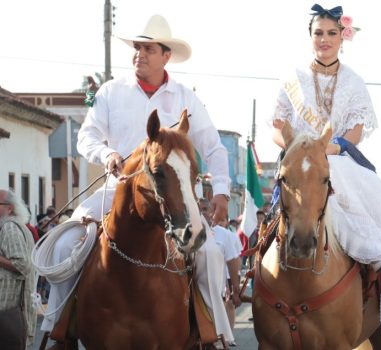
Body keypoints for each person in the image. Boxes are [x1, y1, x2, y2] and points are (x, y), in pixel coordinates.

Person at [39, 14, 232, 337]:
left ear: (166, 55)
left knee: (210, 253)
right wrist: (108, 154)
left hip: (171, 198)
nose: (139, 54)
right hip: (116, 191)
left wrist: (223, 192)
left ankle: (216, 333)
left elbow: (214, 149)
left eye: (148, 49)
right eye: (137, 48)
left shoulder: (186, 97)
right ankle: (57, 327)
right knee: (66, 245)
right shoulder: (111, 91)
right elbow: (86, 137)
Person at [269, 5, 381, 349]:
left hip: (337, 156)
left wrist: (330, 149)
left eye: (331, 33)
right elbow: (278, 127)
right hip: (299, 159)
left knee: (361, 196)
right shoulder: (292, 77)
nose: (324, 39)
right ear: (309, 37)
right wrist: (299, 148)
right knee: (273, 215)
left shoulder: (354, 81)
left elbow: (355, 131)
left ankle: (375, 260)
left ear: (343, 37)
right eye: (318, 33)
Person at [199, 198, 241, 346]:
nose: (200, 212)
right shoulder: (186, 234)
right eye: (198, 208)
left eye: (204, 209)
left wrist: (235, 290)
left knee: (216, 337)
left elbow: (233, 263)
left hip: (215, 294)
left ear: (212, 212)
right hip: (192, 295)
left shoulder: (225, 235)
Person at [0, 189, 37, 348]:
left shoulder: (9, 228)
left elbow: (22, 264)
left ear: (10, 208)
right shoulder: (15, 226)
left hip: (8, 313)